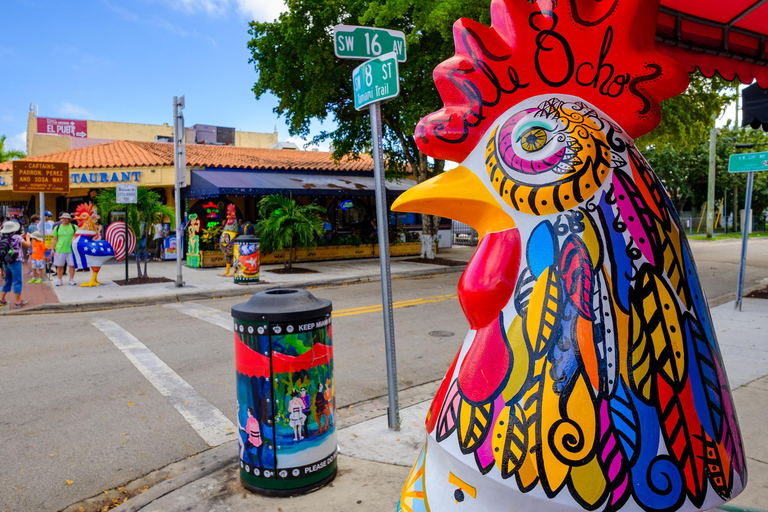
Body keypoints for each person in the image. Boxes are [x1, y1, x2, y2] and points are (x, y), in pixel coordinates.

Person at [0, 221, 31, 309]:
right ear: (13, 230)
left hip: (5, 262)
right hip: (15, 261)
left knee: (8, 281)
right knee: (17, 281)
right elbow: (28, 245)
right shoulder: (17, 237)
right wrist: (27, 238)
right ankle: (18, 302)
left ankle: (1, 299)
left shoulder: (2, 237)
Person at [51, 212, 78, 286]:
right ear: (61, 219)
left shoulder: (74, 227)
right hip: (60, 249)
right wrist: (52, 249)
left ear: (69, 219)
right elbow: (54, 239)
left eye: (67, 218)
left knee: (72, 265)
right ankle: (59, 280)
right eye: (63, 218)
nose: (65, 219)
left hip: (71, 250)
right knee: (59, 266)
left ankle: (71, 279)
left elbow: (78, 237)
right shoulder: (57, 227)